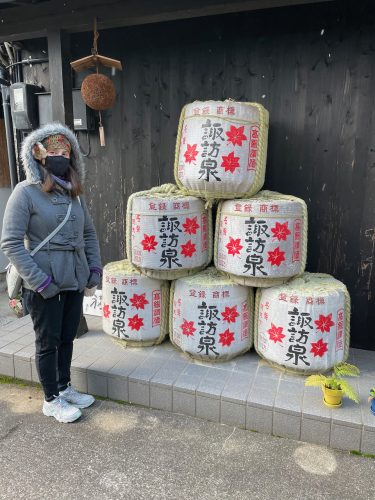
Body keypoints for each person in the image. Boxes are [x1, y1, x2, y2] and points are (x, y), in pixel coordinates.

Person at [1, 122, 102, 423]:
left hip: (73, 279)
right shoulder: (25, 192)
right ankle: (51, 399)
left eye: (66, 151)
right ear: (39, 155)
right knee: (48, 342)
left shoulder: (75, 194)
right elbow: (10, 243)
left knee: (67, 337)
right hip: (43, 283)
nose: (60, 156)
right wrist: (40, 281)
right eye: (54, 151)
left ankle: (64, 387)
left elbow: (89, 235)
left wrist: (94, 268)